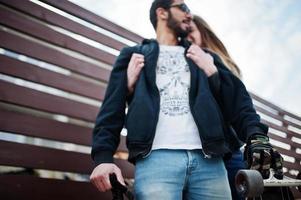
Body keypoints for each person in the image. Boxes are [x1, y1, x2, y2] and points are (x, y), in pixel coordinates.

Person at [90, 0, 283, 199]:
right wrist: (103, 158)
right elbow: (111, 109)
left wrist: (256, 135)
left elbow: (238, 100)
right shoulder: (134, 55)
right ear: (162, 13)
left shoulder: (205, 56)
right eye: (183, 8)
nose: (189, 15)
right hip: (155, 160)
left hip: (211, 163)